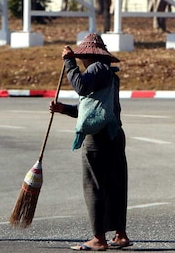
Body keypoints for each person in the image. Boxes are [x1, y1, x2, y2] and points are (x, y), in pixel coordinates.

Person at [50, 33, 132, 251]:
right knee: (115, 184)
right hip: (114, 134)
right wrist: (64, 109)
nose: (81, 61)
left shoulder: (96, 69)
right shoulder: (109, 74)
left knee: (94, 186)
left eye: (80, 58)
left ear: (86, 55)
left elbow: (81, 87)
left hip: (99, 138)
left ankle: (99, 238)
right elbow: (92, 110)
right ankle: (120, 234)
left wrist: (68, 61)